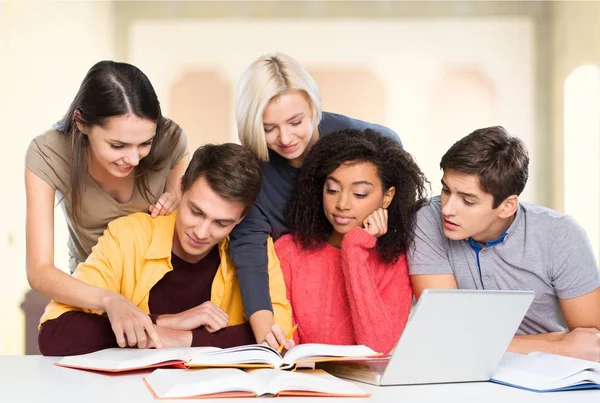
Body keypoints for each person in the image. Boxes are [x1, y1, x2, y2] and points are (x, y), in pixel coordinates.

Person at [38, 143, 293, 356]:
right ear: (181, 188)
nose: (202, 233)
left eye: (221, 223)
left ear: (241, 218)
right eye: (196, 212)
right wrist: (161, 323)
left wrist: (183, 339)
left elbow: (276, 335)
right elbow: (54, 333)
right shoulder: (128, 236)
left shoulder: (254, 248)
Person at [230, 52, 403, 344]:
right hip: (299, 299)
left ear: (313, 106)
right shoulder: (254, 175)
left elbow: (392, 165)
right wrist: (265, 331)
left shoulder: (360, 138)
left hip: (366, 283)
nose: (285, 138)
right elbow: (249, 254)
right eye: (268, 128)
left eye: (296, 122)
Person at [26, 60, 189, 349]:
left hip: (162, 290)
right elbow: (39, 269)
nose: (135, 159)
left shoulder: (170, 140)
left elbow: (190, 207)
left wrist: (177, 194)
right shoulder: (48, 153)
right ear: (81, 123)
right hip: (94, 296)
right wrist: (110, 301)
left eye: (144, 144)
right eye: (118, 146)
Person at [408, 126, 600, 362]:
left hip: (548, 373)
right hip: (463, 367)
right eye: (446, 190)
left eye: (467, 200)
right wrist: (556, 345)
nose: (447, 209)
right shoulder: (427, 218)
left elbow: (592, 342)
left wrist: (485, 345)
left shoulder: (560, 235)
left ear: (507, 206)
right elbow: (446, 331)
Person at [273, 129, 424, 354]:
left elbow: (377, 347)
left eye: (360, 194)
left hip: (368, 387)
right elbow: (286, 349)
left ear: (387, 196)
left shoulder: (397, 261)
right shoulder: (288, 250)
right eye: (332, 189)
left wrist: (354, 249)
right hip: (301, 383)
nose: (342, 203)